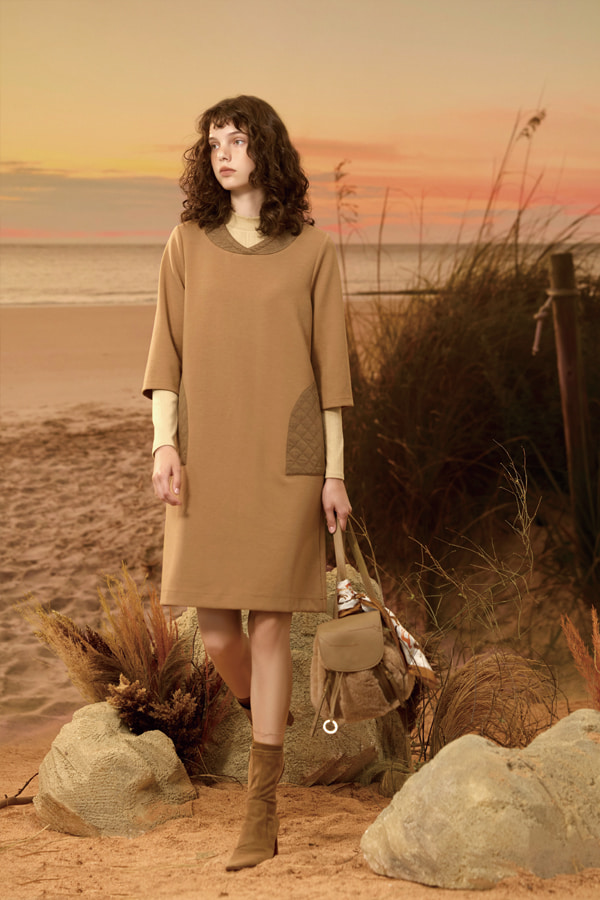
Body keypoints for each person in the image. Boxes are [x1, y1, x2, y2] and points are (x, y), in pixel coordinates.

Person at [143, 95, 353, 870]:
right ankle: (262, 711)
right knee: (219, 633)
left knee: (268, 628)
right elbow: (165, 355)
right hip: (207, 454)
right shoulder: (185, 244)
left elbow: (333, 374)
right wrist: (164, 444)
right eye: (213, 143)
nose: (223, 153)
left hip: (287, 460)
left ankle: (261, 809)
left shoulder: (313, 251)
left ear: (267, 149)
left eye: (236, 140)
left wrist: (334, 472)